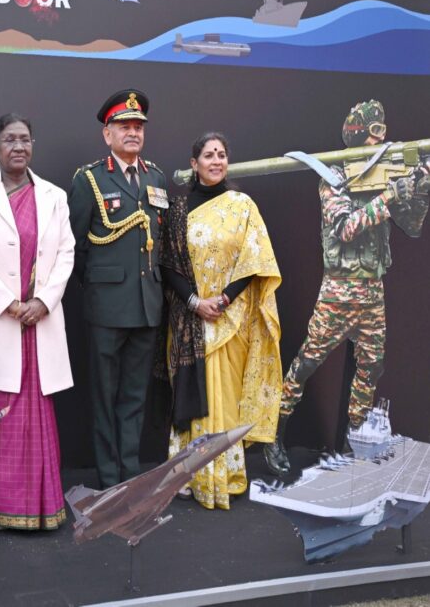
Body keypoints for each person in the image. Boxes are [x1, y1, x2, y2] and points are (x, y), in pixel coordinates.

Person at [265, 101, 429, 476]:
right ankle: (274, 433)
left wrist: (418, 190)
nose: (380, 139)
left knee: (371, 367)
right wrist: (391, 196)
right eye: (373, 133)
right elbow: (344, 228)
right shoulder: (334, 177)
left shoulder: (386, 176)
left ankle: (354, 441)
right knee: (307, 362)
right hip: (339, 292)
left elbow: (413, 226)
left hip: (373, 290)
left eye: (382, 131)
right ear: (357, 134)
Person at [0, 113, 75, 529]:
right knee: (0, 421)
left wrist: (42, 301)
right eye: (9, 139)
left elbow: (66, 254)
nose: (19, 146)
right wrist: (9, 304)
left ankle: (42, 508)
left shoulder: (54, 196)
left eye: (25, 139)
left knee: (37, 418)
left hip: (39, 325)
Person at [160, 132, 282, 510]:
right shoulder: (177, 210)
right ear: (194, 164)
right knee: (193, 396)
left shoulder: (243, 206)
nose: (216, 161)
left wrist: (224, 299)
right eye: (209, 155)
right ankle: (188, 476)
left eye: (222, 155)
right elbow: (168, 264)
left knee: (224, 401)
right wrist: (196, 302)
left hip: (230, 319)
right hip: (189, 320)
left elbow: (255, 260)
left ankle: (222, 477)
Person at [68, 89, 167, 489]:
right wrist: (99, 287)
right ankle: (110, 481)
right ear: (107, 134)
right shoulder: (90, 179)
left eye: (138, 126)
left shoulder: (155, 177)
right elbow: (75, 247)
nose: (132, 132)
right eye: (124, 126)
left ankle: (131, 476)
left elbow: (158, 242)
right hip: (107, 308)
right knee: (105, 399)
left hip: (146, 306)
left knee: (135, 398)